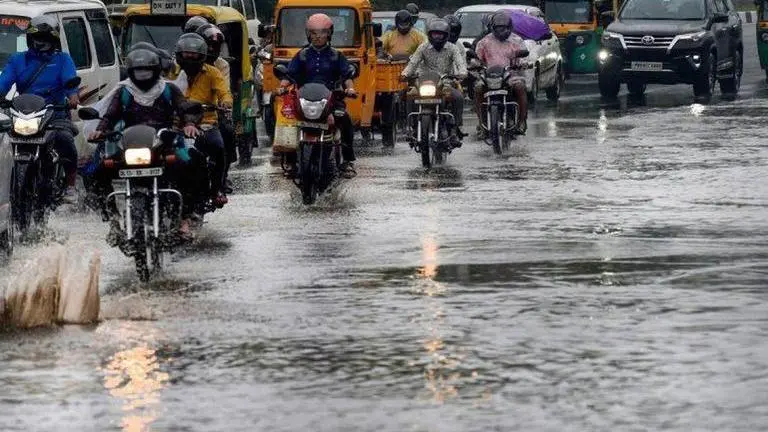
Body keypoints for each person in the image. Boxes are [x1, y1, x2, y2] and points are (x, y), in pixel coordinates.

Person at [87, 47, 198, 239]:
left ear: (156, 70)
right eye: (139, 71)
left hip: (164, 143)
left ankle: (185, 219)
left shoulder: (169, 89)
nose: (143, 76)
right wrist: (100, 130)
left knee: (191, 165)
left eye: (147, 71)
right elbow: (110, 115)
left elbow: (184, 108)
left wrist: (188, 124)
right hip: (131, 145)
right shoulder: (124, 91)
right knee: (95, 173)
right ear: (131, 72)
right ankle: (113, 220)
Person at [0, 15, 80, 199]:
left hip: (55, 111)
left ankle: (70, 186)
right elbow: (3, 83)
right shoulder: (18, 59)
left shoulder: (63, 60)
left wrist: (73, 97)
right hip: (24, 113)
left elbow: (71, 84)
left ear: (54, 40)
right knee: (4, 141)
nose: (40, 43)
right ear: (29, 39)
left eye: (45, 39)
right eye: (37, 38)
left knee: (65, 140)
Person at [280, 13, 358, 177]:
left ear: (329, 34)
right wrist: (281, 88)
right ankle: (291, 163)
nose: (318, 37)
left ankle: (347, 161)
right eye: (314, 33)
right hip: (304, 100)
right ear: (308, 34)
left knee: (345, 120)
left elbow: (347, 77)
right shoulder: (301, 55)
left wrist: (350, 89)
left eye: (322, 32)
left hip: (332, 99)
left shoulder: (337, 56)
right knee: (288, 122)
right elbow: (289, 75)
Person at [174, 33, 233, 208]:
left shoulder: (213, 72)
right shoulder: (172, 72)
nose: (190, 58)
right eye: (186, 54)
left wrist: (225, 102)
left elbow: (224, 92)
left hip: (206, 123)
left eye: (194, 54)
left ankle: (216, 189)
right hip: (176, 124)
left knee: (218, 146)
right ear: (178, 55)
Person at [402, 18, 468, 145]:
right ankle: (411, 128)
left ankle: (455, 129)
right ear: (429, 34)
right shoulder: (423, 47)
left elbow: (460, 63)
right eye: (434, 34)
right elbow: (413, 63)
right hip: (424, 82)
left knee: (458, 97)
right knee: (410, 95)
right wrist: (405, 74)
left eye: (440, 34)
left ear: (446, 35)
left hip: (445, 83)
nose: (437, 37)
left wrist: (462, 73)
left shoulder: (453, 48)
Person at [474, 12, 528, 132]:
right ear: (493, 28)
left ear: (509, 28)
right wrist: (475, 64)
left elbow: (524, 57)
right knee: (478, 88)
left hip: (511, 75)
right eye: (498, 28)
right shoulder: (484, 42)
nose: (501, 31)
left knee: (520, 87)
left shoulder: (517, 40)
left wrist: (522, 63)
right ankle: (481, 123)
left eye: (504, 28)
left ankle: (521, 121)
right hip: (489, 76)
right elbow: (477, 59)